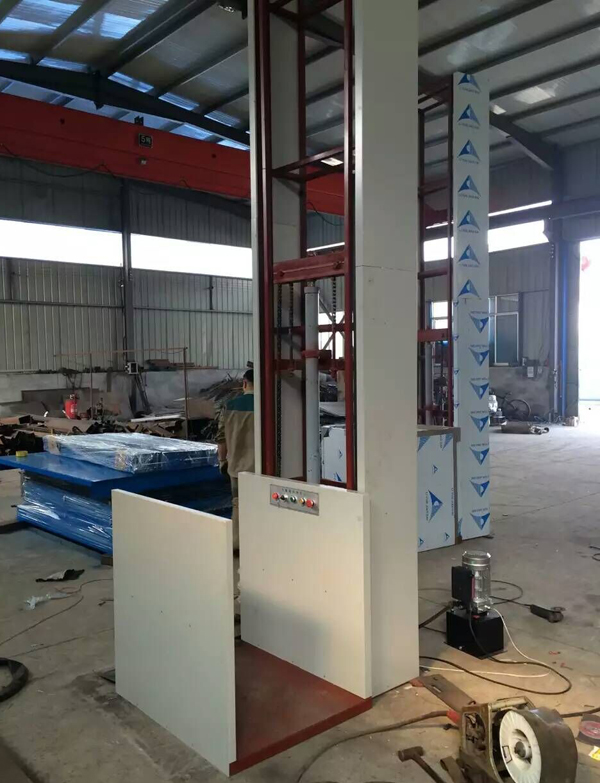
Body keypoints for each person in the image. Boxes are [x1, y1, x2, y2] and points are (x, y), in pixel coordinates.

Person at [216, 368, 255, 551]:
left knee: (239, 505)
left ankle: (237, 546)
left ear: (244, 383)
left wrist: (222, 461)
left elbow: (221, 438)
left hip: (237, 468)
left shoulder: (229, 406)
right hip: (263, 469)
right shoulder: (268, 405)